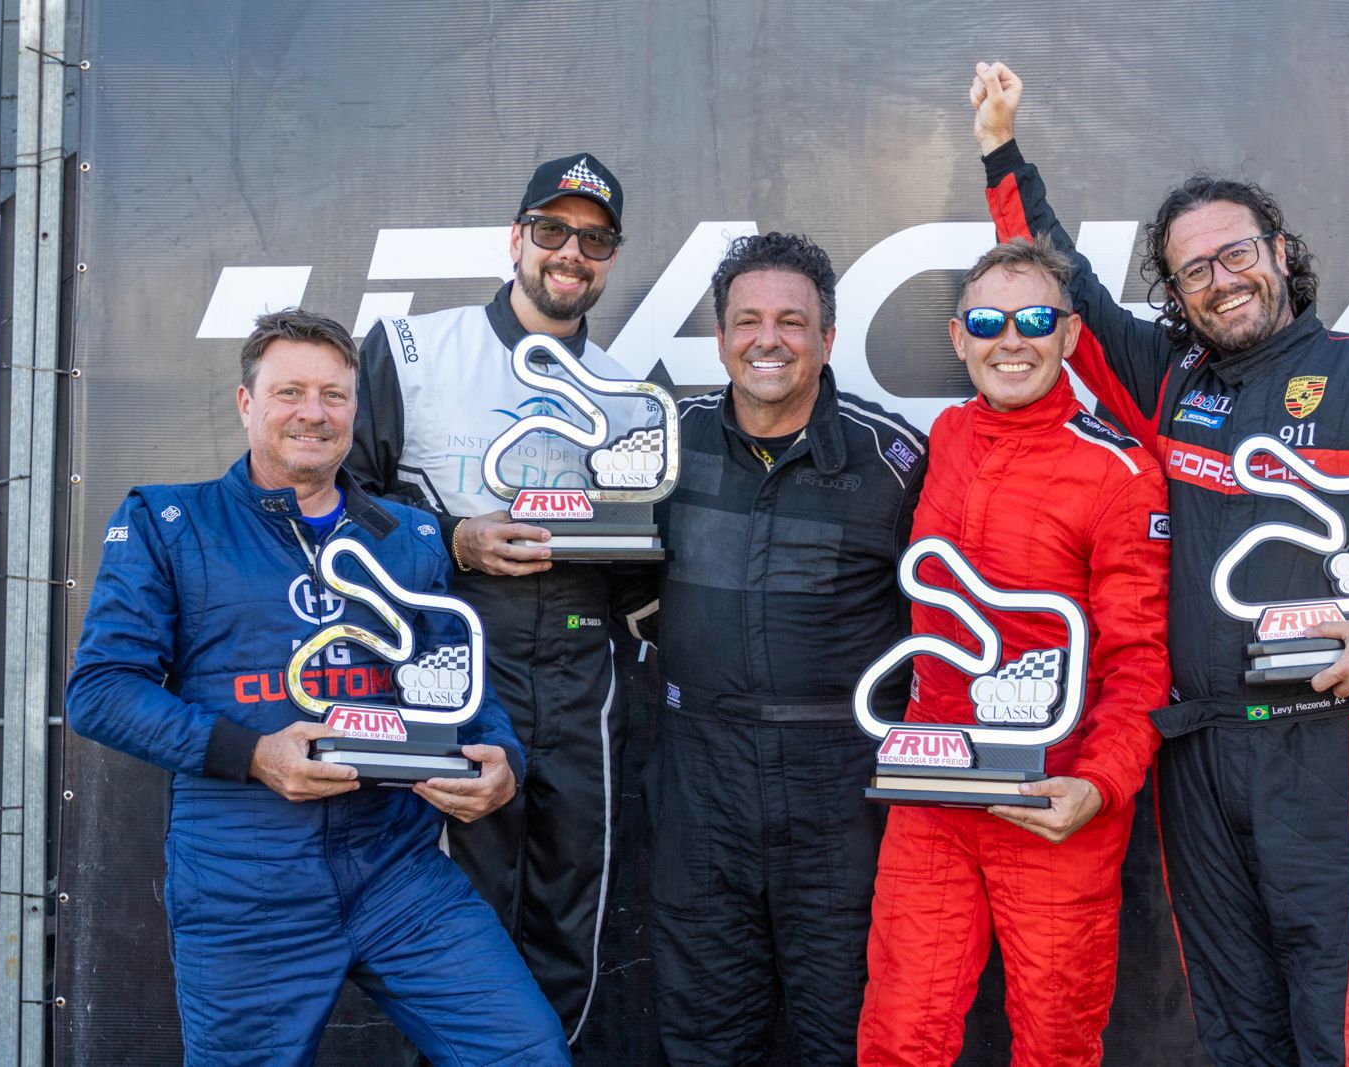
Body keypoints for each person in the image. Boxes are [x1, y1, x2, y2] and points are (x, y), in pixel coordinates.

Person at [969, 62, 1349, 1067]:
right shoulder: (1170, 381)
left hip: (1337, 745)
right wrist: (1001, 151)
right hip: (1200, 756)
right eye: (1193, 270)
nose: (1219, 279)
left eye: (1235, 253)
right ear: (1176, 292)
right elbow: (1072, 288)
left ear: (1279, 251)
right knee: (1236, 1037)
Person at [65, 310, 567, 1065]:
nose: (314, 412)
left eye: (334, 395)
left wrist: (502, 759)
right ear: (247, 403)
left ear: (355, 410)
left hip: (399, 875)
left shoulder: (408, 535)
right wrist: (252, 753)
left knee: (526, 1052)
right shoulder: (169, 522)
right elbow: (101, 691)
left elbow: (460, 685)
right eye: (290, 392)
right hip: (247, 882)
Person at [347, 152, 651, 1043]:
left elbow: (649, 564)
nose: (572, 252)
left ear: (611, 257)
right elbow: (342, 504)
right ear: (516, 238)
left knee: (568, 924)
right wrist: (453, 538)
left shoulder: (635, 397)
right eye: (553, 230)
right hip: (451, 665)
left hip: (582, 676)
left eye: (595, 239)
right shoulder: (413, 349)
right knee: (455, 930)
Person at [857, 237, 1171, 1066]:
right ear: (958, 338)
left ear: (1069, 334)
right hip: (933, 794)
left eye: (1034, 320)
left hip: (1053, 801)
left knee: (1056, 1045)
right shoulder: (948, 433)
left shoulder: (1120, 473)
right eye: (988, 321)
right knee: (898, 1038)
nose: (1011, 340)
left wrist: (1098, 783)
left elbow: (1141, 658)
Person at [638, 232, 927, 1065]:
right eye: (748, 320)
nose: (769, 340)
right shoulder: (665, 444)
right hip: (699, 779)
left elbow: (949, 625)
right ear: (721, 337)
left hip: (842, 790)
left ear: (827, 337)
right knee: (706, 1040)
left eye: (792, 322)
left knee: (849, 1037)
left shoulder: (894, 460)